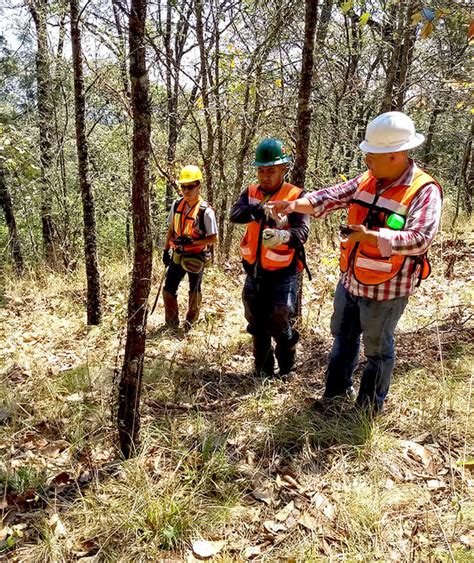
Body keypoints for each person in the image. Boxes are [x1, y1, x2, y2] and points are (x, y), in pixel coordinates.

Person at [268, 112, 442, 413]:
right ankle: (334, 396)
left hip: (387, 289)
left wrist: (372, 237)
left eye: (372, 155)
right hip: (351, 280)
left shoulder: (424, 190)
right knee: (343, 337)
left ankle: (367, 410)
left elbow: (420, 238)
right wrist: (293, 204)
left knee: (377, 349)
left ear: (396, 154)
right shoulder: (367, 179)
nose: (367, 161)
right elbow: (330, 196)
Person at [230, 139, 310, 378]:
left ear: (283, 169)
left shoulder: (296, 196)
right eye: (261, 170)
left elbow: (302, 232)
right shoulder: (251, 192)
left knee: (279, 318)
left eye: (271, 171)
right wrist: (258, 210)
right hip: (254, 271)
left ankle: (286, 368)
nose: (265, 176)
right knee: (255, 321)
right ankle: (262, 370)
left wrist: (283, 237)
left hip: (283, 272)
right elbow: (235, 214)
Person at [162, 165, 217, 331]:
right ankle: (171, 323)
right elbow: (171, 228)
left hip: (196, 256)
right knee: (168, 289)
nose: (186, 190)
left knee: (194, 291)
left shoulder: (205, 211)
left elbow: (214, 239)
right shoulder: (177, 205)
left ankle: (190, 324)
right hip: (177, 254)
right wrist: (165, 250)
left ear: (198, 185)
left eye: (190, 186)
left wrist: (192, 243)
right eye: (183, 186)